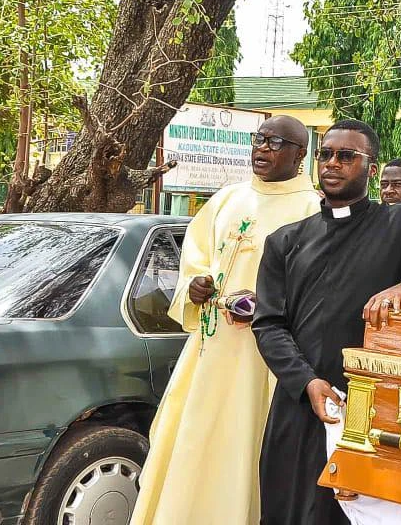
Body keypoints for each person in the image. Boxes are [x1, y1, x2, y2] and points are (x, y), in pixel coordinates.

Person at [253, 120, 401, 525]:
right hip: (301, 401)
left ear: (371, 169)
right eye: (326, 154)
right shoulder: (286, 241)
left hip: (376, 405)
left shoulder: (400, 225)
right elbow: (268, 324)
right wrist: (306, 382)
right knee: (290, 508)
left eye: (347, 156)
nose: (333, 164)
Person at [131, 116, 321, 525]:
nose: (263, 148)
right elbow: (196, 260)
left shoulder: (312, 208)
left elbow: (317, 287)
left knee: (245, 447)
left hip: (263, 358)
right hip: (210, 347)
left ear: (300, 154)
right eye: (259, 139)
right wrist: (194, 287)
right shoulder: (228, 198)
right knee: (192, 441)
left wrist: (268, 305)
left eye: (275, 142)